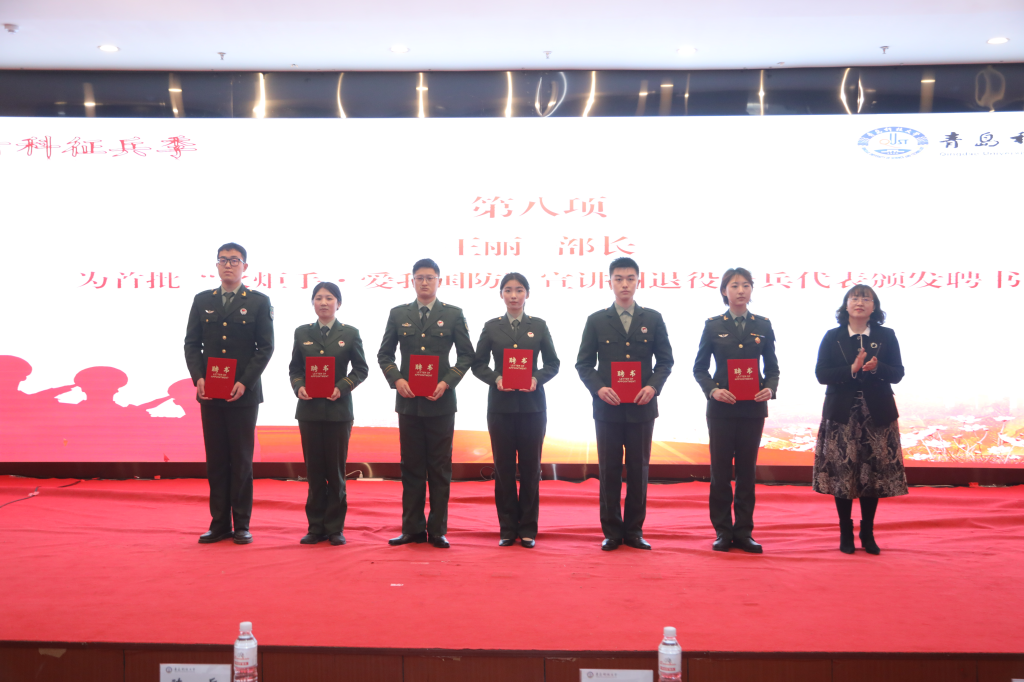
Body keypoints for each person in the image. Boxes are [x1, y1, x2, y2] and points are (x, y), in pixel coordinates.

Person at [576, 257, 674, 551]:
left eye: (630, 278)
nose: (624, 284)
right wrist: (599, 388)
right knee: (609, 470)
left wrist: (652, 387)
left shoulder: (652, 318)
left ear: (638, 281)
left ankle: (634, 531)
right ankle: (611, 531)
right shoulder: (596, 320)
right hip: (608, 408)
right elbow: (583, 364)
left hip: (642, 408)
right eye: (618, 279)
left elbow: (665, 361)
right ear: (610, 282)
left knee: (638, 469)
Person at [377, 258, 474, 549]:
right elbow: (384, 355)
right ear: (412, 281)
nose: (424, 282)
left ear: (439, 281)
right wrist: (397, 379)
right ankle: (412, 529)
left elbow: (467, 355)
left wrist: (447, 382)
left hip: (440, 403)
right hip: (409, 403)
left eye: (430, 278)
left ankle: (438, 530)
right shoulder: (398, 314)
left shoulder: (453, 314)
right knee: (411, 467)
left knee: (440, 469)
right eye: (419, 277)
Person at [184, 242, 274, 545]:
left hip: (243, 395)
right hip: (210, 393)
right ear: (216, 265)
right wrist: (198, 378)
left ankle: (242, 524)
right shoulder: (202, 300)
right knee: (217, 460)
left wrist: (245, 382)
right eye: (223, 260)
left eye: (234, 260)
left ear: (244, 267)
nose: (228, 265)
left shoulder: (259, 302)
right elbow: (191, 344)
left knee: (241, 460)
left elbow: (265, 348)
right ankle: (219, 523)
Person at [812, 284, 906, 555]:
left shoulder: (886, 335)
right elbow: (821, 374)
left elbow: (898, 373)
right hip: (842, 415)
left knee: (872, 474)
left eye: (866, 298)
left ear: (874, 307)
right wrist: (850, 369)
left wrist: (877, 368)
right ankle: (845, 531)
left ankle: (868, 532)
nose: (860, 302)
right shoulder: (833, 336)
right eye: (855, 297)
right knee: (843, 475)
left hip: (877, 414)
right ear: (846, 305)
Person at [692, 267, 779, 553]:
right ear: (724, 291)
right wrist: (713, 390)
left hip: (753, 409)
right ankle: (722, 530)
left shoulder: (763, 325)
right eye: (734, 285)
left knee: (746, 472)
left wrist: (770, 388)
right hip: (721, 409)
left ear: (751, 290)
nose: (741, 290)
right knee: (720, 472)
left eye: (745, 285)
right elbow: (700, 368)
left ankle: (743, 531)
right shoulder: (713, 325)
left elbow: (773, 369)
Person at [471, 273, 560, 548]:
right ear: (501, 294)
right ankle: (508, 528)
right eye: (508, 290)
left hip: (533, 408)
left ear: (527, 294)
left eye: (519, 290)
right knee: (504, 469)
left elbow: (553, 363)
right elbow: (478, 364)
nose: (513, 295)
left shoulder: (539, 326)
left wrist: (536, 378)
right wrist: (496, 378)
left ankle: (529, 528)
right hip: (501, 408)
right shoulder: (491, 327)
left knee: (531, 469)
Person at [288, 282, 368, 546]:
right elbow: (295, 369)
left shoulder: (350, 333)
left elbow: (361, 369)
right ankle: (315, 527)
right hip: (309, 411)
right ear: (313, 303)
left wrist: (342, 387)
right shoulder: (302, 332)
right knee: (314, 471)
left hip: (338, 411)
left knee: (335, 471)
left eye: (329, 298)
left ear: (338, 303)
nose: (323, 302)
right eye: (319, 298)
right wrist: (299, 386)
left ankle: (334, 528)